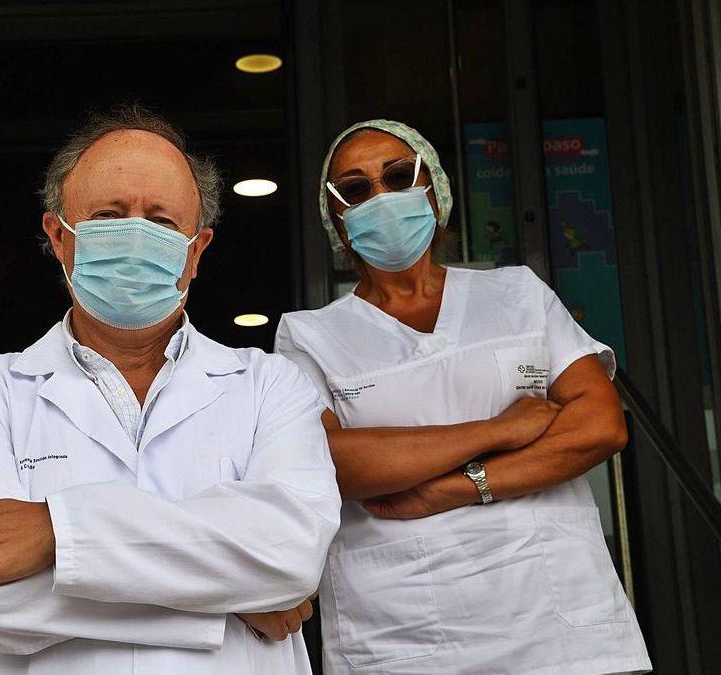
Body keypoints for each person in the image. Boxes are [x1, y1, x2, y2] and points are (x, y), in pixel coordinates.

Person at [0, 104, 341, 675]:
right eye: (110, 215)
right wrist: (228, 608)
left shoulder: (271, 386)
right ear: (59, 236)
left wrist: (55, 531)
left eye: (164, 223)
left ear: (196, 252)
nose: (137, 235)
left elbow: (291, 556)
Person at [275, 120, 652, 674]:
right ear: (336, 218)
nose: (381, 196)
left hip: (561, 626)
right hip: (404, 635)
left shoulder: (518, 293)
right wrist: (502, 429)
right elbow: (337, 463)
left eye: (399, 176)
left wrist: (452, 489)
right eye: (356, 189)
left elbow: (599, 427)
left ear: (435, 188)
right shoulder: (309, 336)